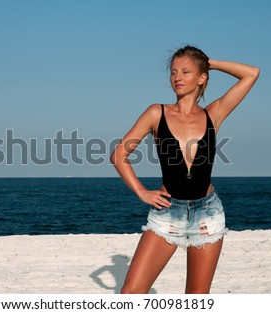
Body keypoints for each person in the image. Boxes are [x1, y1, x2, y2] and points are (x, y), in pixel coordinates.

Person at [110, 45, 259, 294]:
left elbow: (251, 73)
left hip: (207, 214)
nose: (177, 77)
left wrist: (207, 63)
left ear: (202, 77)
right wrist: (142, 192)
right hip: (168, 212)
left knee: (196, 299)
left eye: (186, 72)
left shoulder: (215, 113)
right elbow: (119, 154)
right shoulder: (156, 112)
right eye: (173, 72)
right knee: (131, 293)